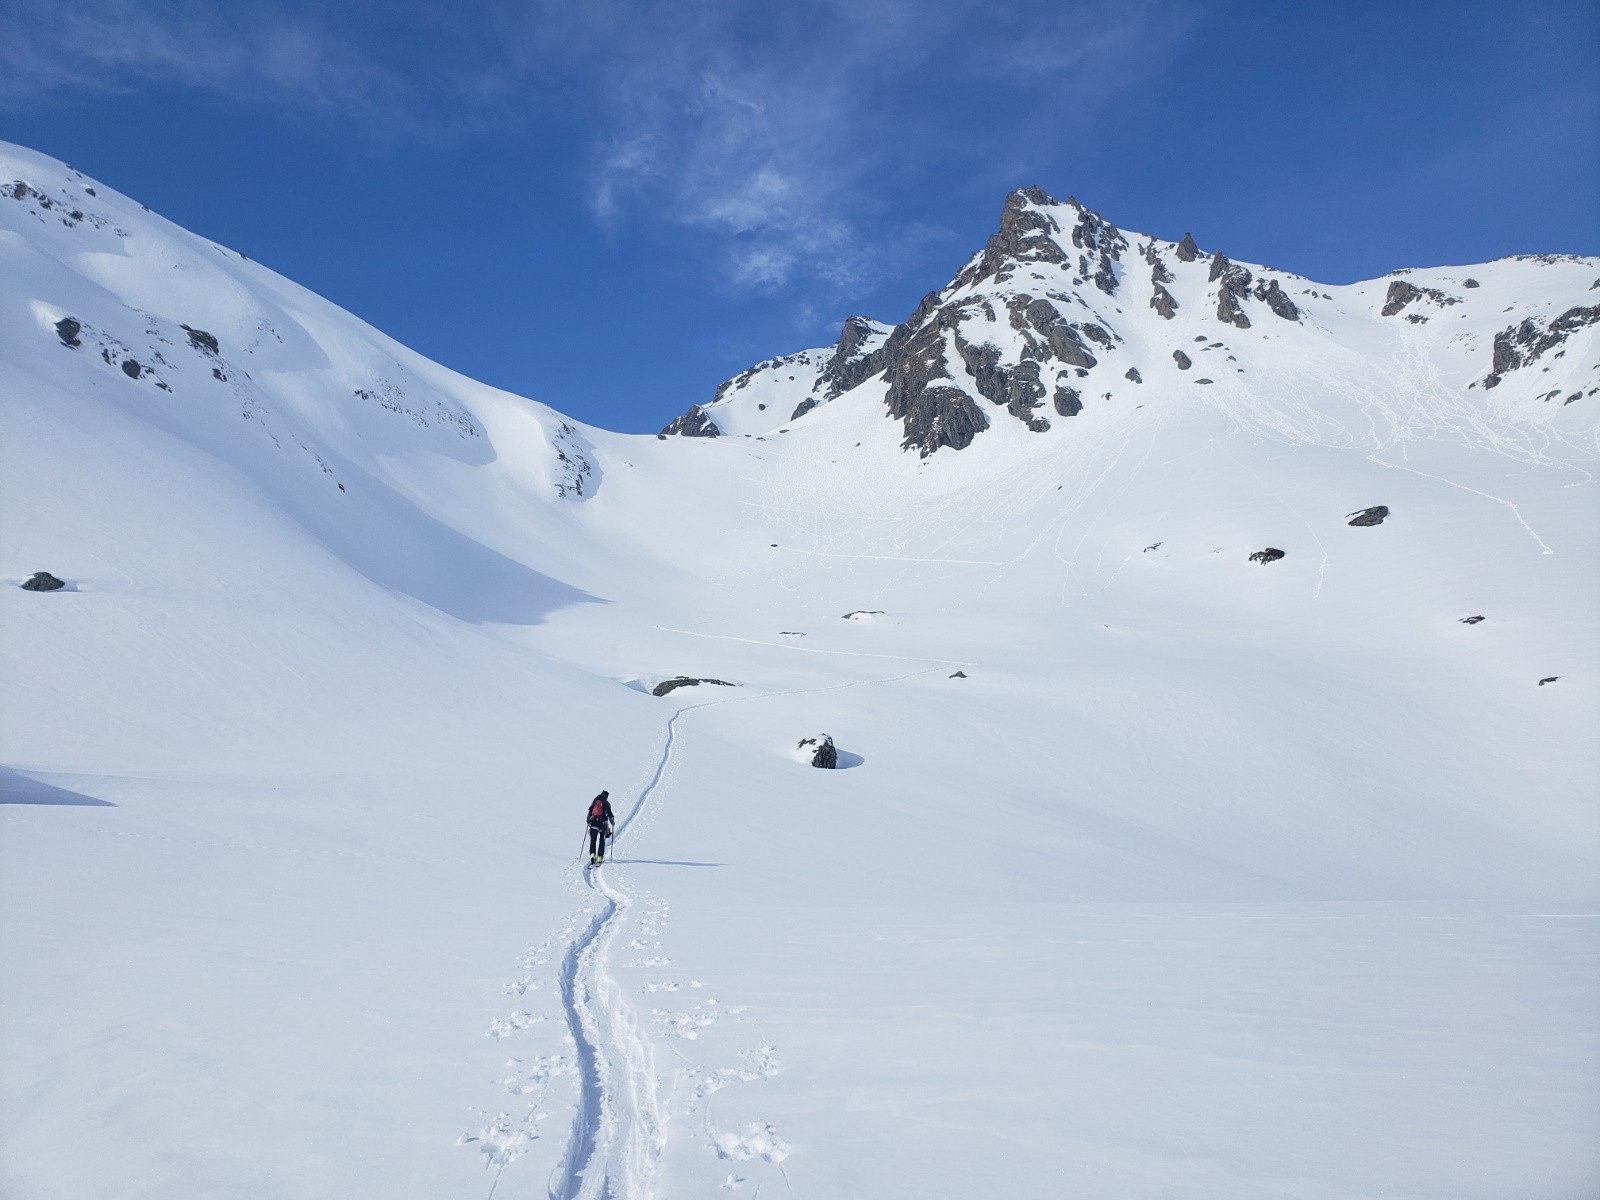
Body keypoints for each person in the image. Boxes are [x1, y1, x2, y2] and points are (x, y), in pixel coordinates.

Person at [586, 790, 615, 864]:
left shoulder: (595, 801)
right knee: (602, 841)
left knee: (593, 840)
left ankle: (592, 855)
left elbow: (590, 811)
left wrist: (588, 821)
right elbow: (610, 814)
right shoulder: (606, 803)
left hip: (593, 823)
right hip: (602, 824)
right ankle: (599, 857)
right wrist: (612, 822)